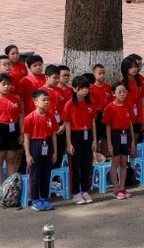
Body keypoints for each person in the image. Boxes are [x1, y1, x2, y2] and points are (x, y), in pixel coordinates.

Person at [23, 89, 59, 211]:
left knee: (46, 174)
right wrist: (28, 154)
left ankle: (44, 197)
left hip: (47, 145)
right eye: (43, 100)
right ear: (35, 102)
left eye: (48, 100)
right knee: (35, 174)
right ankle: (35, 199)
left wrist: (55, 151)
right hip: (35, 145)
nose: (47, 102)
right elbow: (26, 137)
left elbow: (54, 134)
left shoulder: (51, 117)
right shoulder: (29, 118)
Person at [63, 75, 97, 205]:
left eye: (86, 88)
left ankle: (85, 189)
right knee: (75, 165)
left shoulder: (90, 103)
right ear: (75, 89)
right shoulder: (69, 104)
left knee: (86, 164)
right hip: (75, 135)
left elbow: (93, 122)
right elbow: (67, 124)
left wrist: (94, 140)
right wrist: (69, 143)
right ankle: (76, 192)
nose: (85, 91)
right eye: (81, 88)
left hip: (87, 135)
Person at [103, 82, 136, 199]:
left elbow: (130, 123)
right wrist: (109, 143)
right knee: (115, 162)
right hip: (115, 135)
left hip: (126, 134)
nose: (122, 94)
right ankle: (116, 188)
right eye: (119, 92)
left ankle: (122, 187)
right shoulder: (110, 108)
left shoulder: (128, 106)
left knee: (123, 162)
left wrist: (132, 141)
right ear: (114, 94)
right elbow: (107, 126)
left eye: (124, 92)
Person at [90, 64, 112, 156]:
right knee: (96, 136)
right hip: (96, 115)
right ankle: (95, 156)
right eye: (99, 73)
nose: (102, 75)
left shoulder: (108, 87)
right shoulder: (91, 89)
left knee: (105, 137)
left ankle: (104, 155)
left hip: (106, 113)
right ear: (94, 74)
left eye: (103, 73)